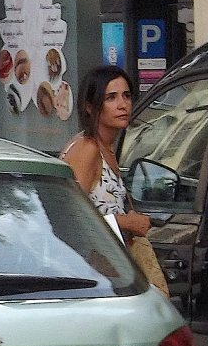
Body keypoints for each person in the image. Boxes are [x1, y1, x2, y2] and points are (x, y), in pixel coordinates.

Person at [60, 65, 151, 240]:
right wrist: (125, 223)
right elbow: (68, 217)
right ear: (90, 107)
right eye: (111, 98)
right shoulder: (87, 148)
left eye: (127, 96)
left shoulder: (105, 148)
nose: (122, 105)